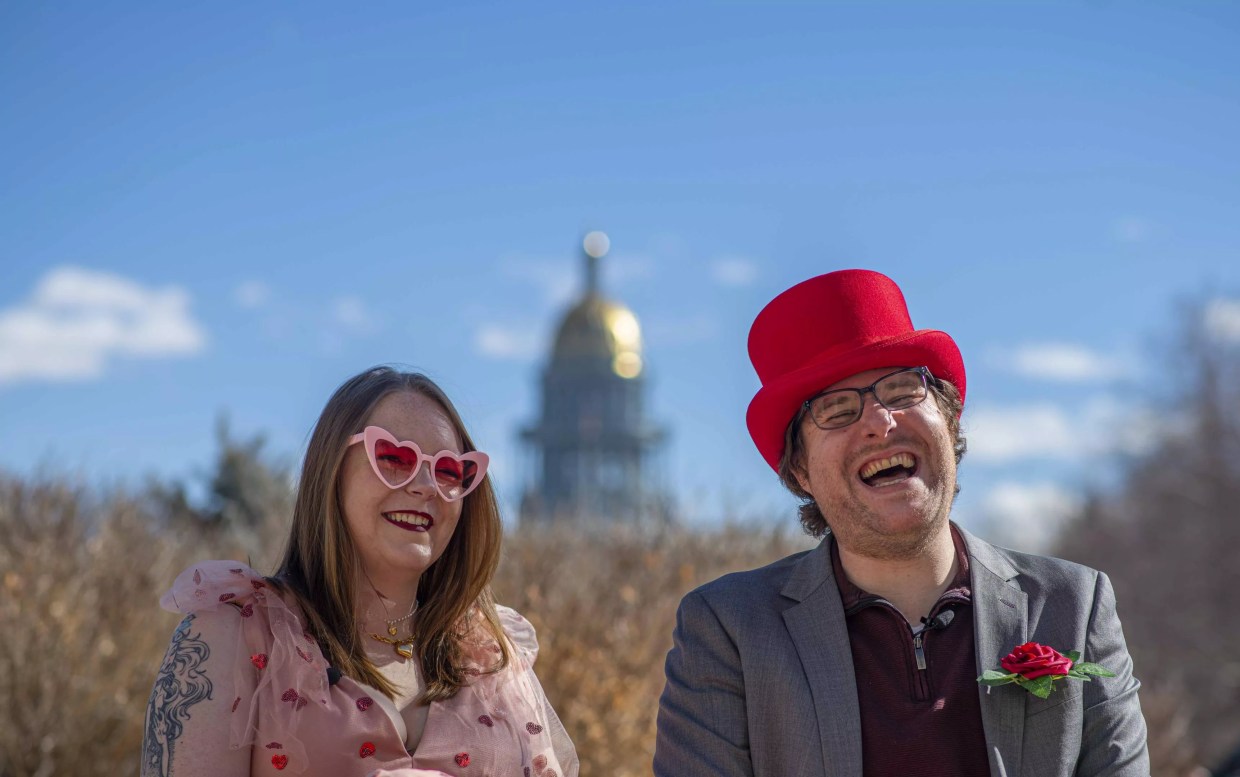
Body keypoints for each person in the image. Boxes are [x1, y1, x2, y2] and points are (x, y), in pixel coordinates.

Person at [654, 270, 1149, 776]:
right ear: (799, 469)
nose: (879, 422)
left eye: (902, 389)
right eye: (837, 409)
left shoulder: (1073, 604)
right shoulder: (727, 630)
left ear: (950, 418)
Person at [143, 366, 578, 777]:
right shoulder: (236, 632)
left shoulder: (493, 657)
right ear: (331, 469)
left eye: (449, 470)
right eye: (393, 457)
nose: (426, 485)